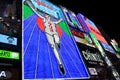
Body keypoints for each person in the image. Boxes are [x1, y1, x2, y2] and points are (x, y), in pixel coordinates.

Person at [25, 0, 65, 75]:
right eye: (46, 15)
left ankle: (58, 42)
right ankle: (60, 64)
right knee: (53, 48)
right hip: (48, 34)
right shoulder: (43, 19)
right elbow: (35, 11)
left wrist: (62, 18)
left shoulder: (53, 22)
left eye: (47, 15)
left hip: (54, 33)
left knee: (56, 38)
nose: (46, 16)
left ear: (49, 16)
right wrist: (29, 4)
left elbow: (59, 20)